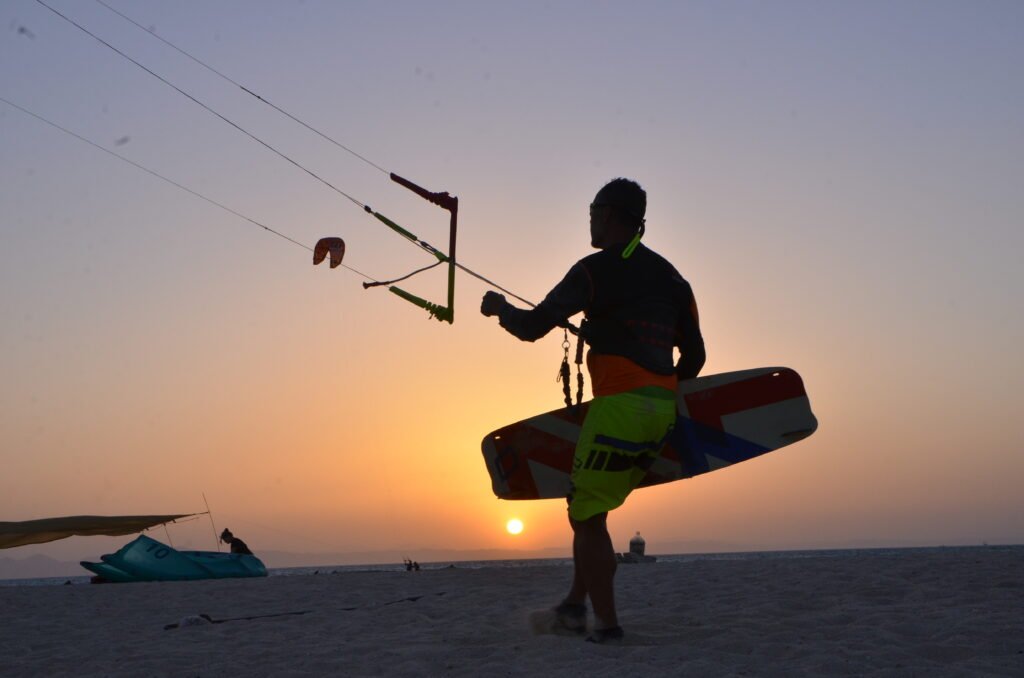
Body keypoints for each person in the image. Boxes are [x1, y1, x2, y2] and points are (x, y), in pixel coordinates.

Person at [481, 178, 705, 643]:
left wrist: (499, 309)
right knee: (590, 511)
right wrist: (658, 390)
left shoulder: (592, 271)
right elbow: (696, 357)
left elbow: (530, 327)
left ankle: (605, 625)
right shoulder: (674, 279)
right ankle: (574, 605)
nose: (588, 216)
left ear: (610, 214)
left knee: (585, 518)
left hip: (617, 408)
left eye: (592, 209)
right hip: (661, 412)